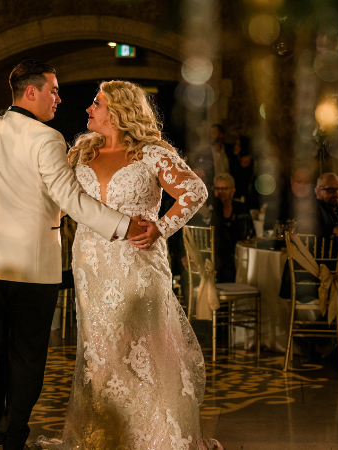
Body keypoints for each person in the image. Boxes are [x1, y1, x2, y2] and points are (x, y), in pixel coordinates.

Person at [0, 60, 145, 450]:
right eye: (53, 90)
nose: (59, 98)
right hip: (33, 267)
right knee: (29, 353)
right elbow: (69, 199)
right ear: (30, 92)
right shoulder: (46, 138)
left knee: (0, 344)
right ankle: (14, 435)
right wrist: (123, 224)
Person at [39, 80, 216, 450]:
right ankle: (105, 437)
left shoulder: (150, 153)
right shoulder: (80, 153)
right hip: (90, 264)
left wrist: (160, 227)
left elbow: (194, 191)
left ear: (119, 111)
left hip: (138, 262)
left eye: (96, 103)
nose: (88, 109)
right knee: (101, 352)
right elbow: (58, 201)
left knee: (143, 347)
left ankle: (155, 439)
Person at [280, 172, 338, 373]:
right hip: (307, 279)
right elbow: (308, 233)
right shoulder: (311, 208)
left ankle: (309, 336)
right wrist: (334, 230)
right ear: (317, 192)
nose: (336, 194)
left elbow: (336, 247)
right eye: (330, 189)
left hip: (329, 277)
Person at [210, 173, 254, 282]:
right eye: (217, 188)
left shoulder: (241, 209)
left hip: (240, 258)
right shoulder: (210, 211)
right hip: (215, 260)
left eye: (224, 188)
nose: (220, 192)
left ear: (232, 191)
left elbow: (251, 234)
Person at [264, 166, 317, 234]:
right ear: (291, 180)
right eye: (299, 182)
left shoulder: (316, 201)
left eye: (307, 182)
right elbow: (268, 230)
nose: (302, 186)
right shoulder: (279, 202)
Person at [192, 124, 231, 191]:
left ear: (221, 135)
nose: (210, 136)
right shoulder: (203, 154)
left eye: (213, 133)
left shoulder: (230, 151)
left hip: (228, 190)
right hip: (212, 190)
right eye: (209, 133)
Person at [229, 136, 255, 207]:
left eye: (239, 145)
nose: (236, 147)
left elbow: (243, 180)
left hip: (244, 196)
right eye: (235, 144)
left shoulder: (246, 162)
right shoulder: (234, 159)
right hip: (235, 194)